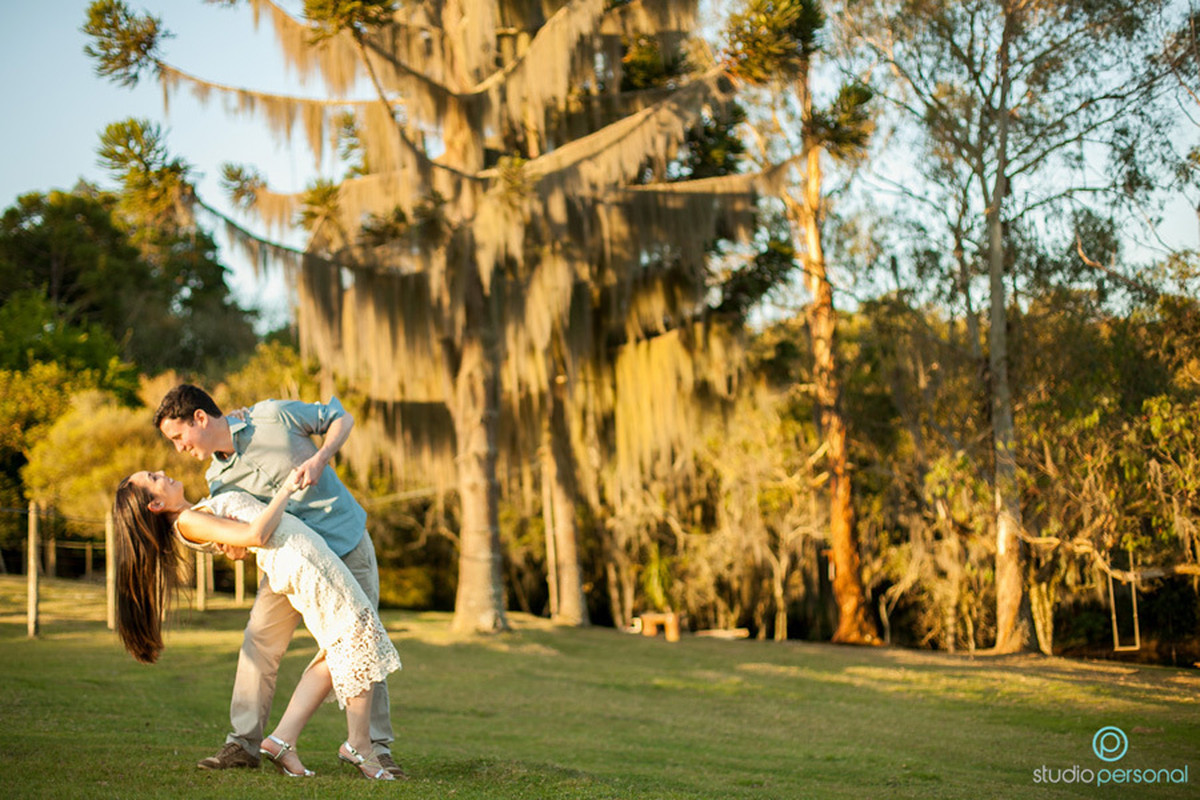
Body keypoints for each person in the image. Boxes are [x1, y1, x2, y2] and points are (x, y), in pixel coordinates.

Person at [153, 385, 403, 776]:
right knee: (260, 642)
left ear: (199, 418)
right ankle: (243, 744)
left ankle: (375, 746)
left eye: (177, 436)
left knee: (362, 638)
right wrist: (232, 548)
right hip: (292, 564)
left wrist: (321, 458)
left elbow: (341, 417)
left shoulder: (272, 415)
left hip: (346, 542)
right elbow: (243, 534)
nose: (179, 447)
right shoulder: (217, 480)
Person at [112, 470, 400, 779]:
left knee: (346, 642)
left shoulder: (195, 512)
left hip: (306, 554)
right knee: (356, 635)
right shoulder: (186, 521)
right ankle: (358, 744)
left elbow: (242, 536)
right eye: (154, 478)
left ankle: (284, 741)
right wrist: (286, 488)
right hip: (301, 561)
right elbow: (256, 535)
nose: (162, 474)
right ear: (155, 505)